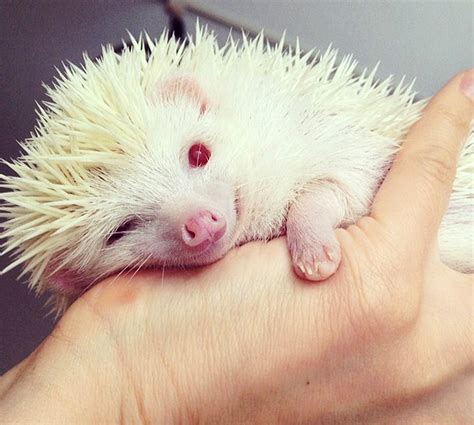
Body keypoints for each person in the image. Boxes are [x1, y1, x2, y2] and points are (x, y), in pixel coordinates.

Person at [0, 70, 472, 425]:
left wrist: (315, 209)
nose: (197, 220)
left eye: (197, 157)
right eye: (123, 229)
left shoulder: (274, 146)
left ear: (201, 105)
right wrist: (134, 389)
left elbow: (360, 171)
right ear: (74, 278)